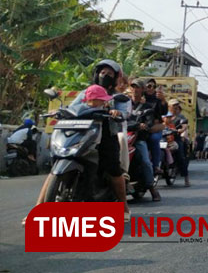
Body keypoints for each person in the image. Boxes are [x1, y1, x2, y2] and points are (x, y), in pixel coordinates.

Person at [25, 85, 130, 225]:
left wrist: (116, 113)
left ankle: (123, 207)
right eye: (95, 100)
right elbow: (67, 112)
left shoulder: (108, 112)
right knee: (52, 173)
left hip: (105, 141)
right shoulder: (78, 108)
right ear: (87, 99)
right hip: (77, 144)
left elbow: (123, 114)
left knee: (114, 169)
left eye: (100, 100)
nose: (98, 102)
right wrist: (57, 111)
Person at [128, 79, 162, 201]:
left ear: (142, 90)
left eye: (137, 87)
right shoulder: (124, 105)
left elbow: (149, 122)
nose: (135, 90)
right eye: (133, 87)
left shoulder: (147, 107)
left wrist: (143, 125)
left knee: (145, 161)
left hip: (137, 138)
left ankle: (152, 188)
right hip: (121, 137)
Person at [144, 79, 168, 174]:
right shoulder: (139, 97)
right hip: (139, 126)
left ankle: (156, 165)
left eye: (153, 87)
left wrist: (163, 101)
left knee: (154, 139)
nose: (151, 89)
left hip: (154, 127)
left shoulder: (158, 99)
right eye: (148, 86)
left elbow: (164, 112)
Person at [166, 99, 191, 186]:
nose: (175, 107)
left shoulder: (181, 117)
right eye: (173, 105)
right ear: (169, 107)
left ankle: (186, 178)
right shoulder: (164, 116)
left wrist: (181, 130)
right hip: (164, 138)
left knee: (181, 156)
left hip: (176, 138)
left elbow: (184, 126)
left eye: (176, 105)